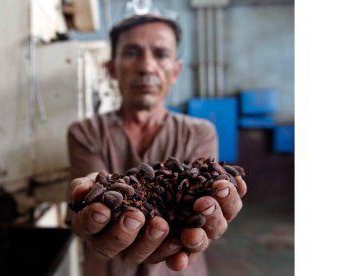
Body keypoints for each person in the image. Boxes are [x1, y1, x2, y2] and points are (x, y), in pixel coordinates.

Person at [66, 14, 247, 276]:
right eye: (132, 52)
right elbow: (84, 207)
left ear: (176, 71)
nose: (147, 66)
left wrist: (206, 219)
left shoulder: (200, 131)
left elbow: (201, 206)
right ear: (112, 69)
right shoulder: (84, 132)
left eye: (161, 54)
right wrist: (84, 208)